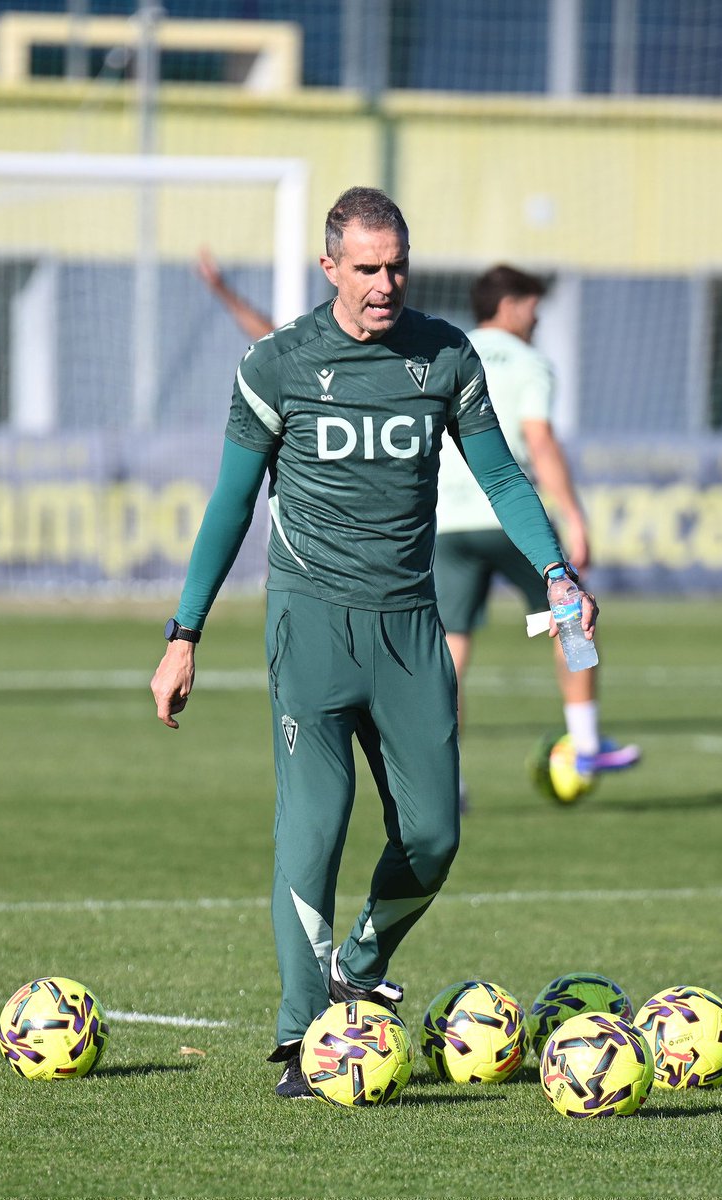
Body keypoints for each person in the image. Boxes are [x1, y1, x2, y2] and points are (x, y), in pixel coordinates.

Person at [151, 188, 597, 1098]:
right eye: (366, 268)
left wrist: (556, 572)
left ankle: (361, 960)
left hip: (409, 630)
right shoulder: (276, 366)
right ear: (330, 270)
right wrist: (183, 633)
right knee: (312, 831)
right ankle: (301, 1038)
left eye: (397, 266)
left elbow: (504, 477)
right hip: (309, 626)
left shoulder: (445, 356)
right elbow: (231, 505)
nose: (385, 284)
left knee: (433, 836)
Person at [435, 265, 640, 805]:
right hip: (511, 515)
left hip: (449, 521)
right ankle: (588, 740)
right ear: (508, 306)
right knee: (570, 611)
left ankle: (444, 779)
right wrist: (572, 514)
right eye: (532, 305)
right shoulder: (529, 363)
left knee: (451, 648)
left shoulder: (446, 351)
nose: (538, 316)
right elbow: (539, 439)